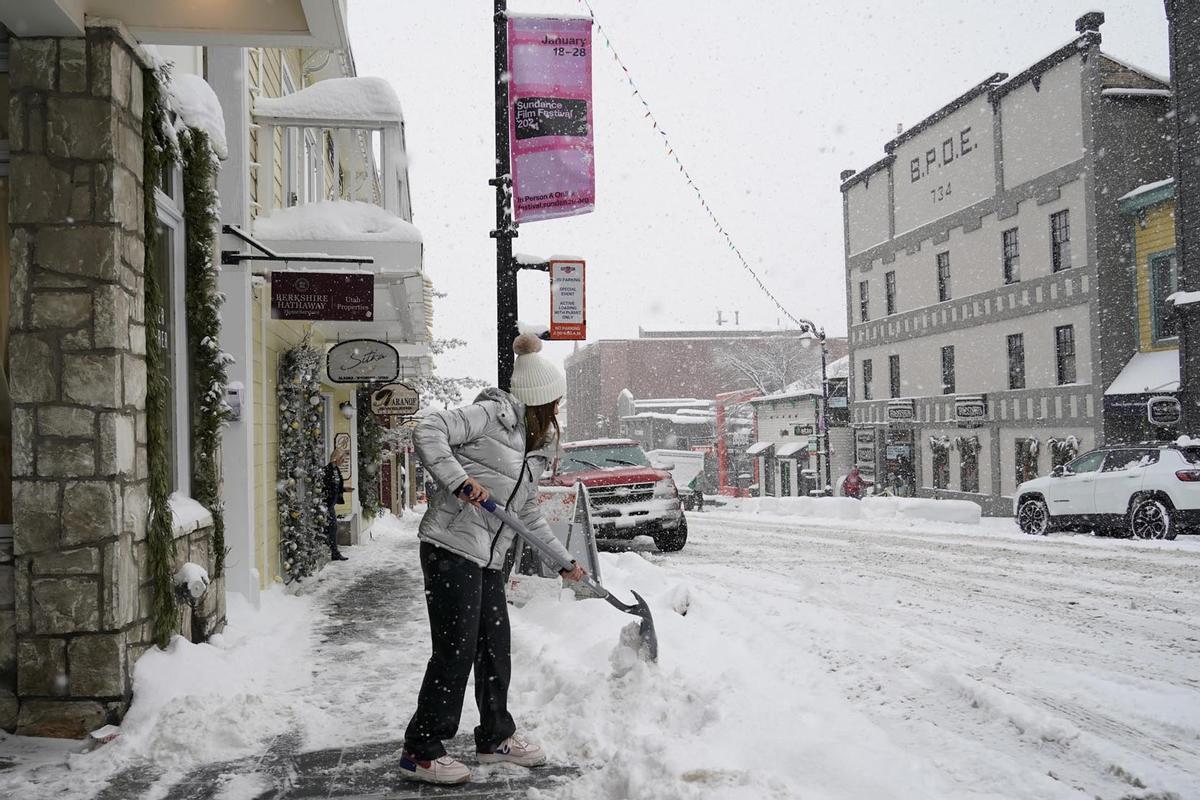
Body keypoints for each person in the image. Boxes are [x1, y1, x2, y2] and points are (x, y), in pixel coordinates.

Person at [399, 333, 587, 786]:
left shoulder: (532, 448)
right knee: (455, 650)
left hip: (485, 559)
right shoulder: (490, 416)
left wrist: (564, 561)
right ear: (540, 400)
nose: (557, 412)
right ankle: (421, 749)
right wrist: (460, 482)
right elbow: (427, 429)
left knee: (493, 647)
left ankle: (495, 737)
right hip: (449, 547)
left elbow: (527, 516)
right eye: (555, 403)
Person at [322, 443, 349, 561]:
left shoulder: (336, 470)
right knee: (331, 527)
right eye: (342, 458)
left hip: (331, 504)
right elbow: (325, 487)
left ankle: (333, 551)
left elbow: (336, 486)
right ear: (335, 458)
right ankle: (333, 551)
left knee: (332, 527)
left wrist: (343, 489)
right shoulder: (327, 471)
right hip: (325, 504)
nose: (343, 461)